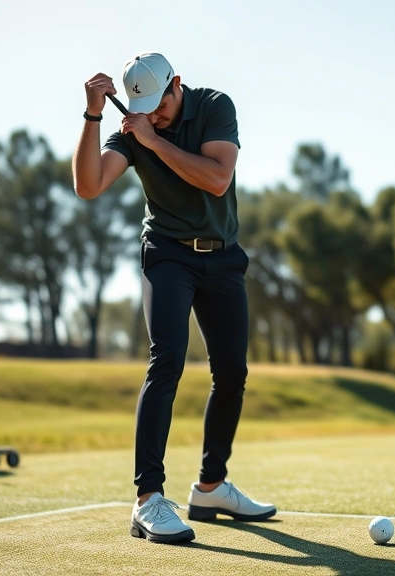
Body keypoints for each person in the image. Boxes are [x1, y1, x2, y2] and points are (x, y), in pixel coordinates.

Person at [72, 52, 275, 545]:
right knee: (167, 360)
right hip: (167, 254)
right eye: (141, 109)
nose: (152, 116)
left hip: (223, 256)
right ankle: (147, 500)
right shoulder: (135, 128)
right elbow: (88, 185)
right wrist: (94, 116)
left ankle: (210, 487)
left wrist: (154, 142)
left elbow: (216, 177)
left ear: (176, 85)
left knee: (231, 372)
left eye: (159, 107)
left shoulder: (213, 107)